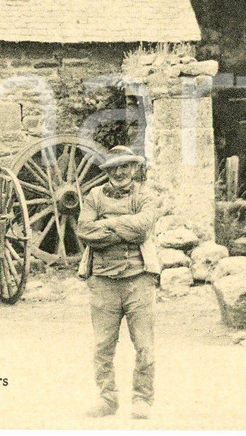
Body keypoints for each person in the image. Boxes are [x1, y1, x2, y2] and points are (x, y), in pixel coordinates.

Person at [76, 145, 161, 419]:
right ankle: (107, 399)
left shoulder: (145, 195)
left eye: (127, 166)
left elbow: (143, 227)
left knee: (144, 344)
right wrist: (125, 228)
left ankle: (142, 399)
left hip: (139, 280)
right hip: (102, 281)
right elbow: (85, 231)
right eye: (115, 167)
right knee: (103, 345)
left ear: (134, 169)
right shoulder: (95, 196)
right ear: (108, 170)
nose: (121, 172)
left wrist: (108, 224)